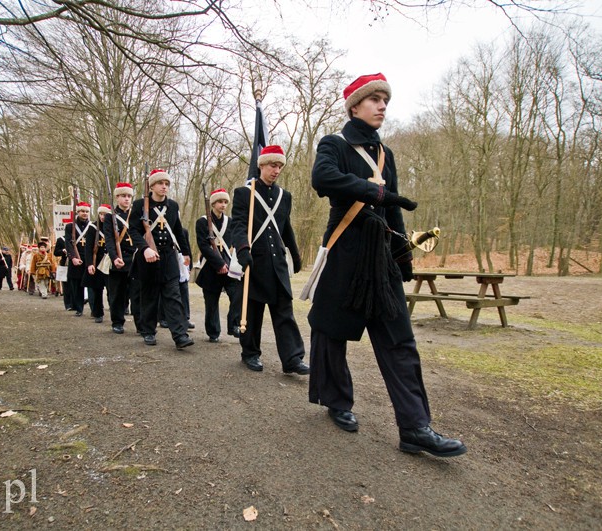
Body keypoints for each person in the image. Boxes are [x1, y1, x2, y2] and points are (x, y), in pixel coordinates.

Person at [308, 73, 466, 457]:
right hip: (345, 249)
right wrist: (374, 190)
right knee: (331, 331)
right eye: (374, 99)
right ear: (355, 106)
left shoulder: (386, 154)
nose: (381, 106)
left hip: (380, 257)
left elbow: (392, 208)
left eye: (385, 100)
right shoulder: (334, 144)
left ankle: (415, 427)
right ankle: (336, 401)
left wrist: (402, 254)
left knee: (400, 340)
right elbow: (322, 178)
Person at [230, 145, 308, 375]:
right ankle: (250, 353)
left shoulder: (285, 197)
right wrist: (243, 249)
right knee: (252, 312)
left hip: (278, 264)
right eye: (273, 165)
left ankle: (292, 358)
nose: (276, 170)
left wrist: (294, 254)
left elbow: (285, 228)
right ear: (262, 165)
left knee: (285, 311)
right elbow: (238, 224)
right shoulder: (245, 193)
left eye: (280, 166)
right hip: (255, 261)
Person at [128, 169, 194, 349]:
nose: (164, 187)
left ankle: (180, 335)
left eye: (166, 184)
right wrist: (145, 249)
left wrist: (186, 252)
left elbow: (178, 230)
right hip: (148, 258)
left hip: (169, 257)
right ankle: (148, 331)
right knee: (149, 296)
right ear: (152, 186)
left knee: (173, 297)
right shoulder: (140, 204)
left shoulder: (172, 206)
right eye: (160, 183)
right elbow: (133, 230)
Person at [195, 188, 242, 342]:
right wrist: (218, 263)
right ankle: (213, 332)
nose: (223, 205)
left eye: (225, 202)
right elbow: (203, 245)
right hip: (210, 266)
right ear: (213, 204)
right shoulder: (202, 222)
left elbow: (235, 241)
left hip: (228, 265)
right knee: (211, 303)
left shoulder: (230, 221)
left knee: (238, 294)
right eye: (220, 202)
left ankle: (233, 324)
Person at [104, 182, 138, 334]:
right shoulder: (110, 218)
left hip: (135, 259)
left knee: (137, 294)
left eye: (129, 196)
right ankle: (117, 322)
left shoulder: (136, 215)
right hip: (119, 259)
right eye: (123, 196)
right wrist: (114, 257)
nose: (127, 199)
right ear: (117, 197)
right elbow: (109, 240)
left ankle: (141, 324)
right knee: (117, 294)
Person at [64, 201, 94, 317]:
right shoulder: (70, 226)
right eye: (82, 211)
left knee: (92, 285)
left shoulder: (92, 226)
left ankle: (94, 310)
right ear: (78, 212)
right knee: (76, 285)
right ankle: (79, 308)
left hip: (89, 259)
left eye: (86, 211)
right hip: (76, 259)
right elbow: (68, 243)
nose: (84, 213)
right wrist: (73, 258)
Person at [85, 204, 111, 323]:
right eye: (101, 214)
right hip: (97, 261)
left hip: (109, 261)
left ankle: (115, 312)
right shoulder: (92, 227)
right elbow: (88, 247)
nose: (102, 217)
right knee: (97, 289)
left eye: (105, 214)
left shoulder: (113, 226)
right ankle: (98, 312)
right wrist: (90, 263)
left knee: (112, 289)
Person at [54, 235, 73, 310]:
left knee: (75, 285)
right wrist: (62, 251)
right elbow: (55, 252)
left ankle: (75, 303)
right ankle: (68, 304)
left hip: (76, 264)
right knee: (66, 285)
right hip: (65, 264)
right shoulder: (61, 240)